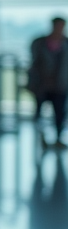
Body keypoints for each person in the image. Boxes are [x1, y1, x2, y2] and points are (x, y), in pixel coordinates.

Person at [29, 17, 68, 148]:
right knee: (39, 113)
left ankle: (58, 138)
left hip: (60, 85)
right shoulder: (39, 43)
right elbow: (34, 63)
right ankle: (42, 137)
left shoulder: (66, 43)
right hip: (42, 85)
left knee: (60, 113)